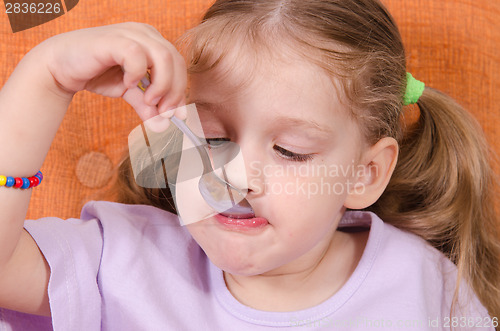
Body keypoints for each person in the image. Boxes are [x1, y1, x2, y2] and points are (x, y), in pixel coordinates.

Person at [0, 0, 499, 329]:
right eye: (213, 138)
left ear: (363, 173)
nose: (235, 177)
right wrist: (46, 79)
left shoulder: (428, 288)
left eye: (290, 150)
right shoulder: (127, 260)